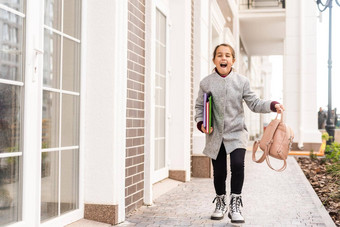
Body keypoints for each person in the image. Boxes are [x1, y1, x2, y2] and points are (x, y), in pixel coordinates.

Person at [194, 43, 284, 224]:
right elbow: (199, 107)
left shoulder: (241, 81)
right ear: (214, 60)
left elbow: (254, 103)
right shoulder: (206, 82)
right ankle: (220, 202)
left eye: (227, 55)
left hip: (236, 133)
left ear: (233, 60)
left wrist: (272, 104)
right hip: (215, 134)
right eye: (219, 55)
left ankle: (235, 204)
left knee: (237, 165)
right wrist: (201, 123)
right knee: (219, 172)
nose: (223, 58)